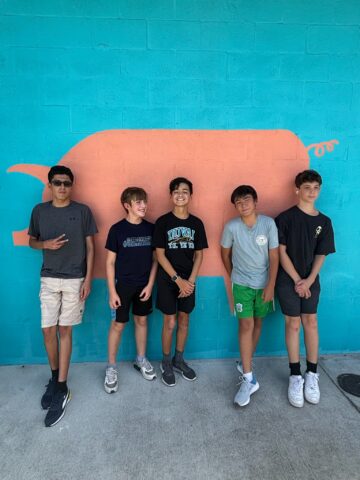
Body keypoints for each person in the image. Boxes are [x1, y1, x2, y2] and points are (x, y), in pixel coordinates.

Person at [28, 165, 97, 427]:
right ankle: (54, 377)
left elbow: (91, 248)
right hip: (48, 276)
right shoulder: (39, 211)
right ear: (50, 185)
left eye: (67, 183)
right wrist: (44, 244)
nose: (62, 187)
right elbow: (32, 240)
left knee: (65, 330)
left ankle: (63, 387)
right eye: (57, 183)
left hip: (74, 279)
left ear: (72, 185)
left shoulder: (82, 211)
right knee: (48, 330)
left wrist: (88, 279)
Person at [275, 170, 335, 408]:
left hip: (311, 281)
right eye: (307, 187)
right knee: (294, 323)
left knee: (310, 322)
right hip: (288, 279)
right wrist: (298, 279)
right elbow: (280, 251)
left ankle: (312, 374)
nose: (311, 192)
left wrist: (309, 280)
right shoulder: (285, 218)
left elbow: (322, 254)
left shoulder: (324, 222)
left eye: (315, 188)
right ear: (297, 190)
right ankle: (295, 375)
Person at [221, 185, 279, 407]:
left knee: (257, 323)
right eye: (238, 202)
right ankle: (248, 377)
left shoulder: (268, 224)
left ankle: (246, 361)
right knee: (245, 325)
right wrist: (233, 275)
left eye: (246, 200)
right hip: (242, 284)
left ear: (256, 201)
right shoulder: (232, 227)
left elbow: (274, 257)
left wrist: (271, 285)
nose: (242, 204)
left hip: (264, 284)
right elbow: (224, 253)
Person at [153, 177, 208, 387]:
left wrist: (190, 281)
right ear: (170, 195)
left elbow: (199, 255)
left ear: (190, 195)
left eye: (185, 191)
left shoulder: (196, 223)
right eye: (176, 191)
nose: (180, 194)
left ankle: (179, 359)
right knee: (170, 321)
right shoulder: (163, 222)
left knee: (184, 319)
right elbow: (160, 254)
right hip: (169, 280)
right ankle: (166, 361)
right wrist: (178, 281)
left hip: (189, 281)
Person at [104, 187, 157, 394]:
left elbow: (155, 260)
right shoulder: (117, 230)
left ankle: (141, 359)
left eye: (144, 201)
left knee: (142, 320)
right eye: (138, 202)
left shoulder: (151, 229)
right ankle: (111, 367)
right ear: (127, 206)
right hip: (122, 286)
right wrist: (112, 292)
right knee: (118, 324)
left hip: (144, 285)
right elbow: (109, 262)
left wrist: (150, 285)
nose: (143, 206)